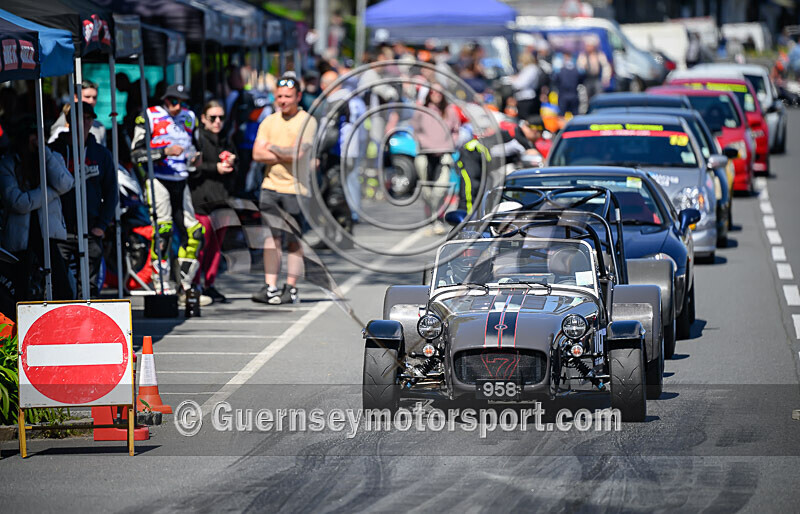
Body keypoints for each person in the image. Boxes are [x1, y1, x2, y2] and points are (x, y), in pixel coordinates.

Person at [131, 83, 207, 303]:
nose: (178, 107)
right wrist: (164, 151)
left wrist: (195, 160)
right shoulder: (150, 116)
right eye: (174, 101)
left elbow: (195, 149)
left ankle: (186, 285)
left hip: (181, 180)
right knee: (163, 230)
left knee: (194, 232)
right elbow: (136, 153)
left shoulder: (189, 118)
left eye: (181, 102)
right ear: (165, 100)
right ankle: (160, 285)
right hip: (158, 179)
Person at [251, 76, 317, 305]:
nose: (283, 101)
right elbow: (256, 154)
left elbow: (298, 154)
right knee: (271, 238)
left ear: (298, 97)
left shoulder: (307, 121)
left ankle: (291, 287)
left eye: (288, 97)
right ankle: (270, 286)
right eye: (279, 96)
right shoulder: (269, 121)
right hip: (270, 187)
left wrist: (273, 149)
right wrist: (285, 152)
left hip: (297, 189)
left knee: (293, 241)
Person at [0, 119, 75, 307]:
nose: (36, 142)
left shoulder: (52, 157)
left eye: (40, 138)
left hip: (47, 232)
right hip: (20, 237)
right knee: (19, 285)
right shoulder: (8, 164)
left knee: (60, 283)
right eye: (32, 138)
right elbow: (18, 203)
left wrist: (45, 153)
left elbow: (66, 183)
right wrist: (49, 191)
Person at [50, 102, 118, 298]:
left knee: (88, 288)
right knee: (59, 284)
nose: (86, 123)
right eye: (81, 118)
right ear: (70, 121)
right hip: (60, 230)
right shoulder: (55, 150)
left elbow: (111, 192)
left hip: (91, 229)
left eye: (89, 118)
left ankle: (86, 326)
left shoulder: (101, 154)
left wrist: (102, 225)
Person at [189, 100, 237, 303]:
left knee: (216, 247)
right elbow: (193, 168)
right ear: (203, 119)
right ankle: (193, 285)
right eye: (213, 118)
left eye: (221, 118)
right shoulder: (197, 139)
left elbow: (238, 169)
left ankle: (209, 284)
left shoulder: (226, 139)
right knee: (200, 244)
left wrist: (232, 162)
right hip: (202, 200)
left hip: (222, 200)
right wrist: (214, 167)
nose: (217, 122)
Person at [48, 79, 107, 146]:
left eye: (94, 97)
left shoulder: (100, 127)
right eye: (87, 97)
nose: (91, 101)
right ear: (75, 97)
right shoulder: (63, 121)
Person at [511, 51, 542, 122]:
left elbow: (520, 84)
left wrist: (513, 80)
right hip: (522, 98)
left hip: (527, 98)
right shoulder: (528, 69)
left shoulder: (531, 69)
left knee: (526, 120)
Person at [552, 50, 581, 116]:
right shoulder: (576, 69)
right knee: (574, 115)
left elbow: (555, 81)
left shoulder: (559, 70)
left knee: (562, 115)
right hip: (572, 95)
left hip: (564, 96)